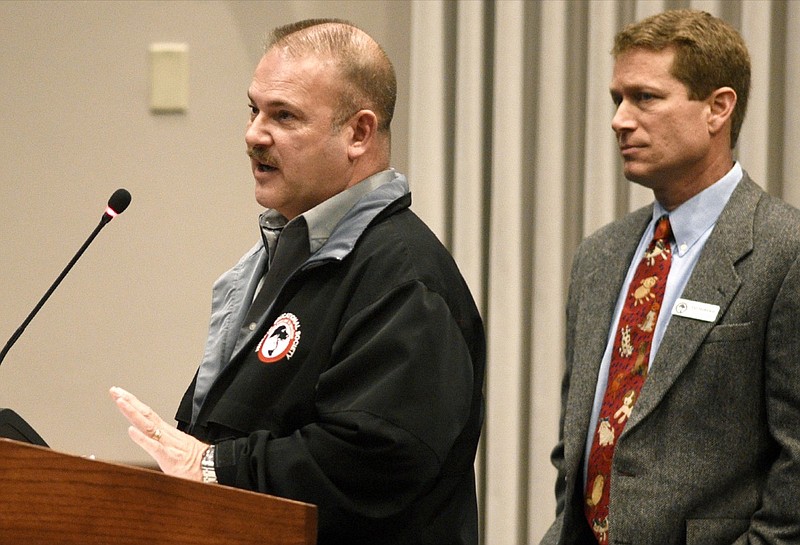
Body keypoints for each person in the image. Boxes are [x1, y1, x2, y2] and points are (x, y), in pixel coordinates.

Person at [110, 19, 485, 545]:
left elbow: (378, 457)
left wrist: (216, 466)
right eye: (254, 109)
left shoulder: (403, 274)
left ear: (358, 133)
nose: (253, 134)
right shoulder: (285, 254)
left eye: (283, 116)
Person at [540, 9, 800, 545]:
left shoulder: (785, 251)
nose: (619, 120)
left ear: (718, 109)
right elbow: (580, 442)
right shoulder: (600, 255)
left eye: (645, 98)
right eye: (618, 99)